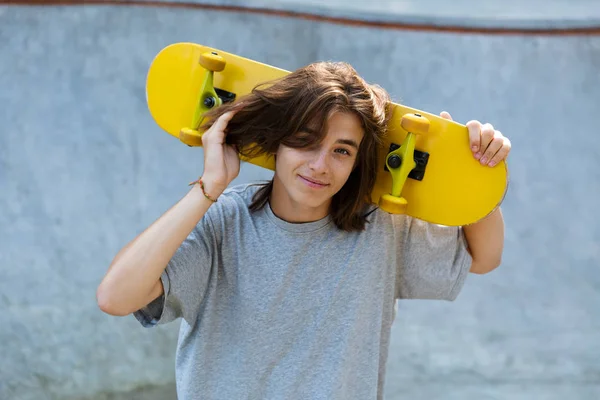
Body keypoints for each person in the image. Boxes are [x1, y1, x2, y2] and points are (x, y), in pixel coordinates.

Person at [97, 61, 511, 400]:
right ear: (277, 143)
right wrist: (207, 189)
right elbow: (116, 297)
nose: (320, 165)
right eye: (305, 141)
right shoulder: (223, 222)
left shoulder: (381, 229)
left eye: (342, 151)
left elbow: (483, 258)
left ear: (356, 162)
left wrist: (473, 178)